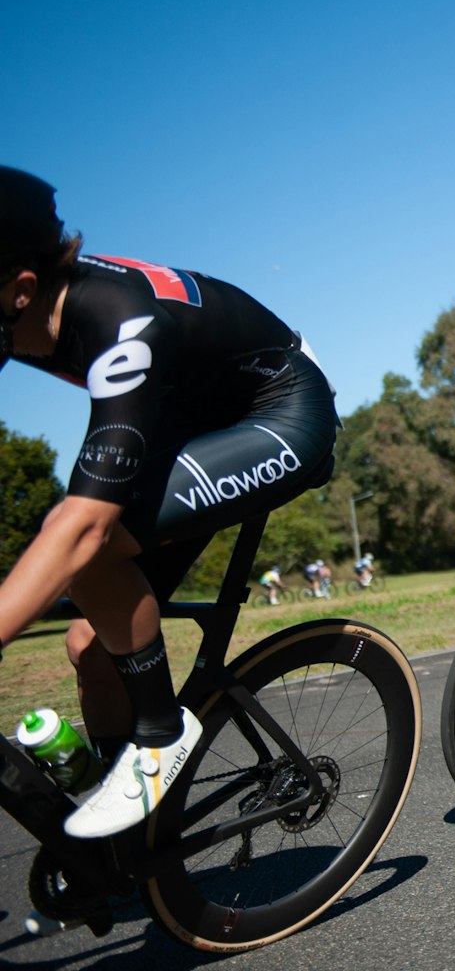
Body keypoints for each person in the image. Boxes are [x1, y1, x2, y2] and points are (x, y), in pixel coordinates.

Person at [0, 166, 338, 838]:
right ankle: (122, 834)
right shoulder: (26, 304)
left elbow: (84, 527)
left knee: (83, 540)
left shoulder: (117, 321)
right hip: (194, 417)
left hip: (281, 411)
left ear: (20, 289)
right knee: (89, 650)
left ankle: (160, 734)